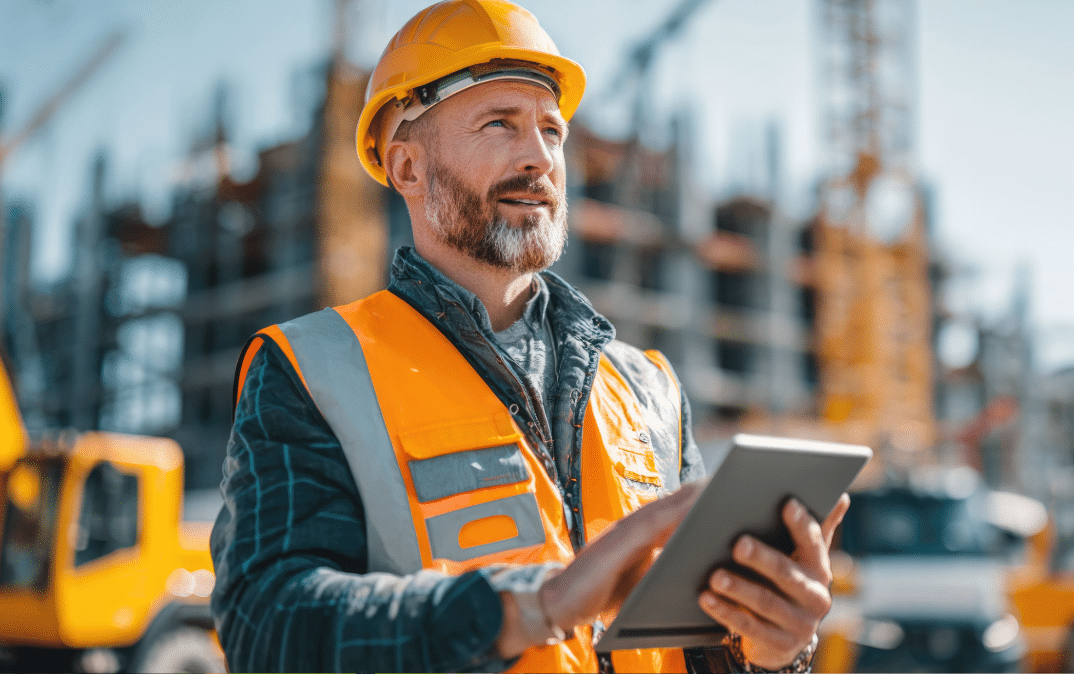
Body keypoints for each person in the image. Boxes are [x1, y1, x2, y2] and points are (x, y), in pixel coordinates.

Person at [209, 1, 850, 671]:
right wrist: (529, 607)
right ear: (406, 168)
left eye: (552, 128)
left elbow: (697, 653)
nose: (539, 156)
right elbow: (269, 627)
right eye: (499, 124)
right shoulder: (311, 370)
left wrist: (771, 649)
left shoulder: (649, 389)